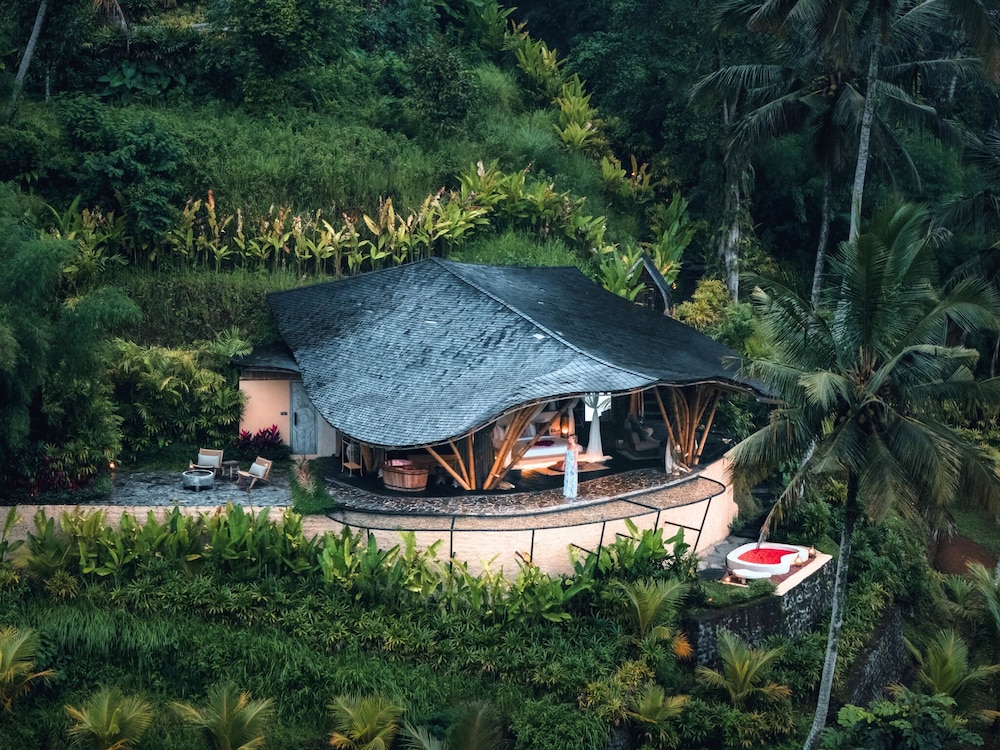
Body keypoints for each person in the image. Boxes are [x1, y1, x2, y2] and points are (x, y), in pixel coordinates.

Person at [563, 434, 579, 498]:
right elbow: (566, 456)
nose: (568, 439)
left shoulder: (576, 448)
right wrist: (563, 464)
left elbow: (576, 458)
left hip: (572, 464)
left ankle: (572, 493)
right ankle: (567, 492)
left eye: (570, 438)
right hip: (568, 464)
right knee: (567, 478)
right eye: (569, 438)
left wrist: (575, 465)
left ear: (574, 439)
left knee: (572, 478)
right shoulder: (568, 446)